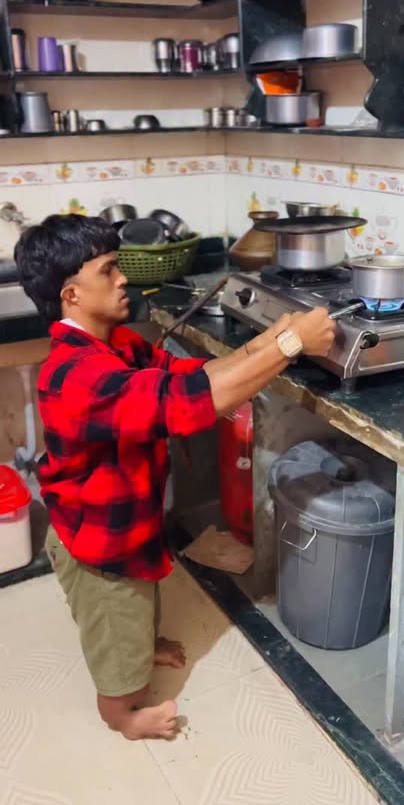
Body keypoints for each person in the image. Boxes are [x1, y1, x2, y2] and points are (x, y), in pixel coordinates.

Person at [15, 214, 336, 741]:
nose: (123, 278)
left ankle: (140, 648)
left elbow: (193, 378)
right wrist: (289, 346)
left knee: (140, 603)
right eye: (108, 270)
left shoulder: (116, 344)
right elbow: (191, 404)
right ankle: (123, 714)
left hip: (127, 525)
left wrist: (275, 337)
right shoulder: (76, 375)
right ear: (71, 294)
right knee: (115, 624)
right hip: (97, 544)